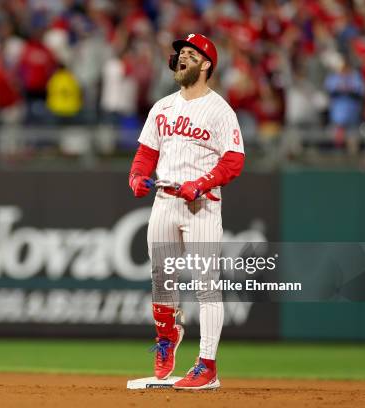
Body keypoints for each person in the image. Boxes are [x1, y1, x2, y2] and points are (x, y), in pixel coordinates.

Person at [128, 33, 245, 390]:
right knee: (162, 279)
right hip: (164, 200)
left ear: (206, 64)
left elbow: (234, 159)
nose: (182, 58)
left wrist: (204, 182)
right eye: (181, 53)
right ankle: (168, 337)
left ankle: (207, 365)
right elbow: (147, 152)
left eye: (191, 55)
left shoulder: (220, 109)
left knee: (207, 286)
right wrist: (136, 175)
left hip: (202, 205)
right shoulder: (162, 106)